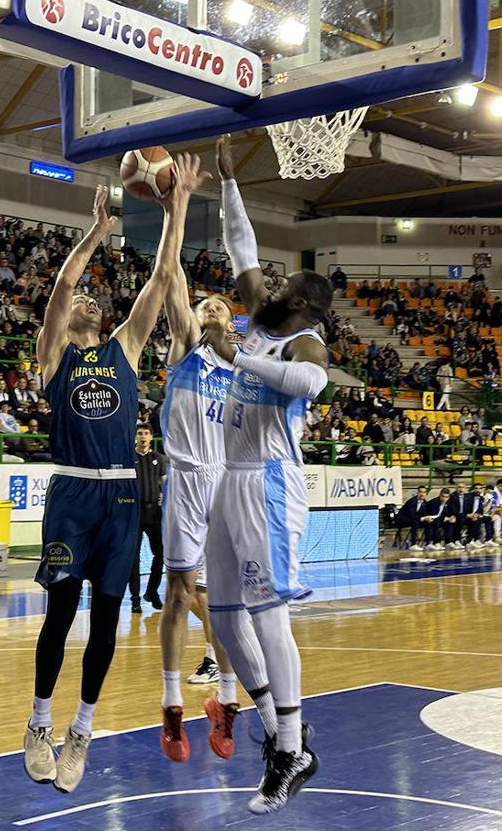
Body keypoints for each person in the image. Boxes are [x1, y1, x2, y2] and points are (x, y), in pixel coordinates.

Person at [24, 173, 187, 794]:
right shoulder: (53, 356)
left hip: (119, 495)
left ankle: (82, 730)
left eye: (96, 298)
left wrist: (175, 210)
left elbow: (160, 281)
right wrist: (96, 231)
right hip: (70, 495)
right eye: (81, 302)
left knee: (107, 621)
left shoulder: (125, 345)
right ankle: (39, 720)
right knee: (60, 615)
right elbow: (64, 284)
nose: (88, 298)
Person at [196, 135, 324, 814]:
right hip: (226, 477)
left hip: (271, 484)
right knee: (222, 615)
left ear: (307, 309)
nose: (275, 290)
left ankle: (294, 744)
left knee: (269, 614)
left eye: (290, 291)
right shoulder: (258, 309)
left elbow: (308, 383)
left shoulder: (303, 341)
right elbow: (241, 247)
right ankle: (278, 732)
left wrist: (234, 358)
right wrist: (227, 181)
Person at [153, 239, 240, 762]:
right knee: (180, 595)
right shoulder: (186, 349)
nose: (211, 309)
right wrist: (174, 207)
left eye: (221, 306)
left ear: (234, 321)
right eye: (204, 304)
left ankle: (227, 702)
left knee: (228, 603)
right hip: (187, 479)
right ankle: (170, 707)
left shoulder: (245, 366)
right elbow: (170, 278)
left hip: (229, 482)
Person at [131, 424, 165, 615]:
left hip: (154, 515)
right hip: (134, 515)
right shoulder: (129, 459)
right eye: (139, 433)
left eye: (146, 433)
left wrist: (164, 496)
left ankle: (152, 592)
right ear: (135, 437)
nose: (142, 437)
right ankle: (135, 599)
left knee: (160, 554)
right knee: (133, 558)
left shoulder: (158, 460)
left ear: (151, 437)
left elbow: (165, 483)